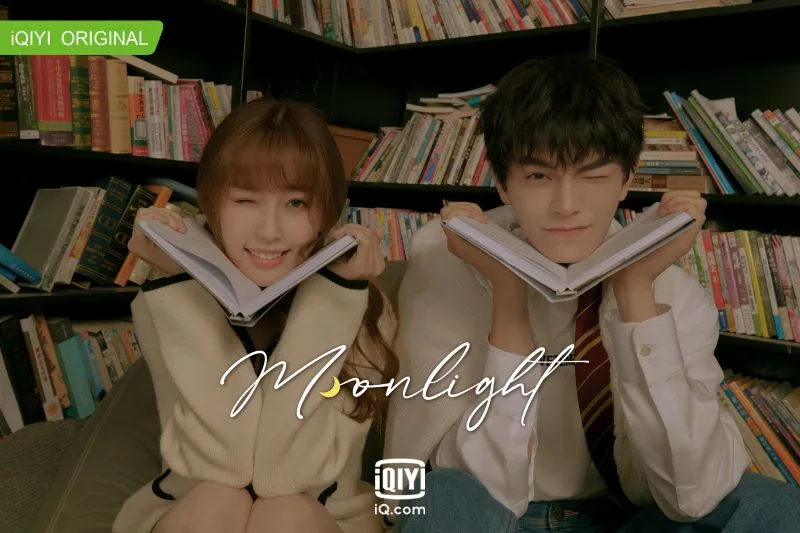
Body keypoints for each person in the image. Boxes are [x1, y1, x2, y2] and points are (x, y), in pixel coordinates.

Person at [382, 54, 800, 532]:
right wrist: (508, 296)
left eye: (594, 175)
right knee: (442, 495)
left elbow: (694, 495)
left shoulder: (673, 292)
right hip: (502, 518)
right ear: (502, 181)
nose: (566, 206)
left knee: (776, 507)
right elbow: (467, 490)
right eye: (538, 176)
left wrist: (635, 292)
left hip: (624, 517)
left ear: (627, 178)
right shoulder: (444, 269)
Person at [112, 97, 398, 533]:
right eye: (246, 200)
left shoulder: (365, 310)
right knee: (216, 499)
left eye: (296, 203)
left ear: (326, 211)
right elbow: (221, 464)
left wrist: (333, 300)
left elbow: (284, 476)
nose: (269, 231)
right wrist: (183, 288)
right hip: (195, 511)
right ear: (212, 203)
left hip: (319, 517)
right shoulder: (171, 299)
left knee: (284, 513)